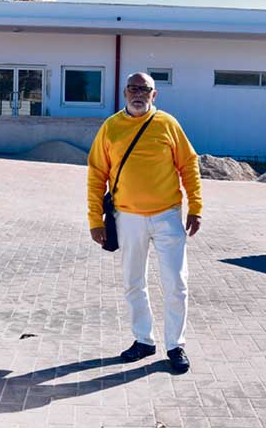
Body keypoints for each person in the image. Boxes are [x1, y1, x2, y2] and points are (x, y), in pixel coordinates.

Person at [87, 72, 202, 373]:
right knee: (133, 283)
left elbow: (189, 165)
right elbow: (96, 174)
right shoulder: (111, 128)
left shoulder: (168, 124)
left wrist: (196, 206)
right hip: (128, 218)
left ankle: (176, 346)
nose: (138, 94)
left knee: (176, 283)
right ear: (124, 92)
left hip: (167, 216)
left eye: (145, 89)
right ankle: (144, 340)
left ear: (155, 94)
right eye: (133, 89)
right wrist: (94, 220)